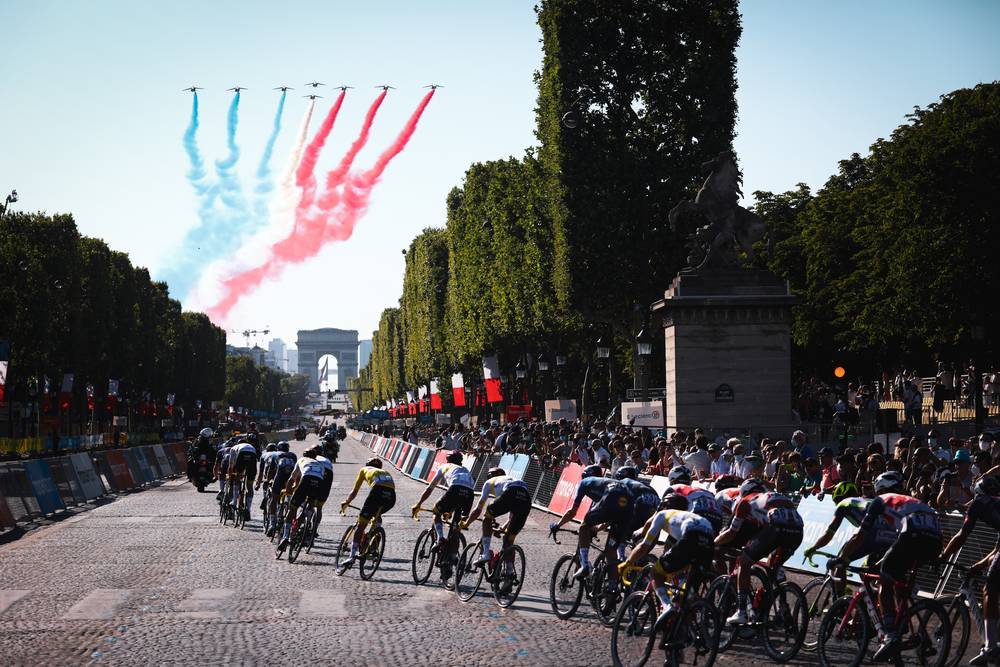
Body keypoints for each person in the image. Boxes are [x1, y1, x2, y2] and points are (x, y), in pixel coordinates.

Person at [838, 471, 940, 660]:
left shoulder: (879, 501)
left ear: (879, 490)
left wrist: (843, 558)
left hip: (912, 535)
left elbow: (860, 536)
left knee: (885, 579)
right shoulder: (910, 500)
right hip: (935, 539)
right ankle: (922, 637)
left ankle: (891, 635)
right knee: (898, 583)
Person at [714, 478, 804, 625]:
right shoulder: (773, 496)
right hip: (797, 531)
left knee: (744, 561)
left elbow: (732, 532)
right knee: (774, 566)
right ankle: (783, 606)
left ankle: (742, 612)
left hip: (776, 528)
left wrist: (714, 543)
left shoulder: (744, 501)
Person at [619, 493, 715, 627]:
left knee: (656, 572)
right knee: (686, 595)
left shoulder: (662, 515)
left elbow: (643, 547)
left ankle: (666, 606)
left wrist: (627, 562)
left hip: (690, 538)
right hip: (708, 540)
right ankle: (685, 633)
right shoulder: (687, 516)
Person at [940, 475, 1000, 665]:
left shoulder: (978, 504)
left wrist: (943, 556)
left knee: (989, 589)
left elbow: (961, 536)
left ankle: (990, 647)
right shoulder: (996, 503)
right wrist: (978, 566)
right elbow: (997, 550)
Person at [549, 464, 633, 591]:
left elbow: (572, 512)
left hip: (613, 499)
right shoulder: (604, 483)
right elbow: (609, 518)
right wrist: (596, 529)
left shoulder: (585, 482)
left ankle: (585, 565)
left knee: (584, 527)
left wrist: (558, 525)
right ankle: (612, 587)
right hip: (627, 503)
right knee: (611, 551)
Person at [463, 467, 531, 592]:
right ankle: (509, 574)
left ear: (490, 476)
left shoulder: (490, 482)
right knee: (509, 540)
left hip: (511, 493)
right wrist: (503, 528)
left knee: (487, 517)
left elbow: (478, 509)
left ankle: (485, 554)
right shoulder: (508, 479)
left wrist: (467, 523)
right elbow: (512, 515)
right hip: (526, 498)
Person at [411, 451, 475, 581]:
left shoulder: (445, 467)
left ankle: (440, 538)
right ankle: (451, 559)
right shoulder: (465, 470)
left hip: (455, 490)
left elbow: (430, 488)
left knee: (436, 512)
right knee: (456, 528)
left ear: (448, 460)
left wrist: (419, 503)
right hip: (469, 494)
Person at [803, 482, 890, 571]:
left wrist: (814, 548)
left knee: (838, 563)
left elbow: (829, 534)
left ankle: (839, 578)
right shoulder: (868, 500)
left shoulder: (844, 503)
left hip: (872, 534)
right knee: (870, 570)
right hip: (892, 534)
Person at [338, 457, 395, 573]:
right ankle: (374, 541)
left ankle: (352, 556)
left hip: (377, 491)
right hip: (391, 496)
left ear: (367, 464)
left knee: (361, 524)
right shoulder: (386, 472)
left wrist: (347, 502)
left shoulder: (364, 469)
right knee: (377, 515)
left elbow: (354, 491)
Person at [665, 465, 723, 533]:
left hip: (696, 520)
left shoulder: (676, 488)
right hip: (717, 521)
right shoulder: (705, 492)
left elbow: (660, 516)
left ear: (673, 481)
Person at [262, 442, 297, 533]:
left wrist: (267, 480)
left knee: (274, 498)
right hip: (290, 477)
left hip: (280, 476)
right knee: (291, 501)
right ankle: (292, 526)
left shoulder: (275, 455)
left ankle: (272, 524)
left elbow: (271, 470)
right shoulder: (293, 455)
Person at [228, 439, 259, 520]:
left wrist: (230, 476)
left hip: (241, 455)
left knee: (237, 478)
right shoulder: (251, 447)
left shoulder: (234, 448)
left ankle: (234, 501)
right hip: (252, 456)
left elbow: (231, 466)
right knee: (249, 486)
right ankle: (248, 509)